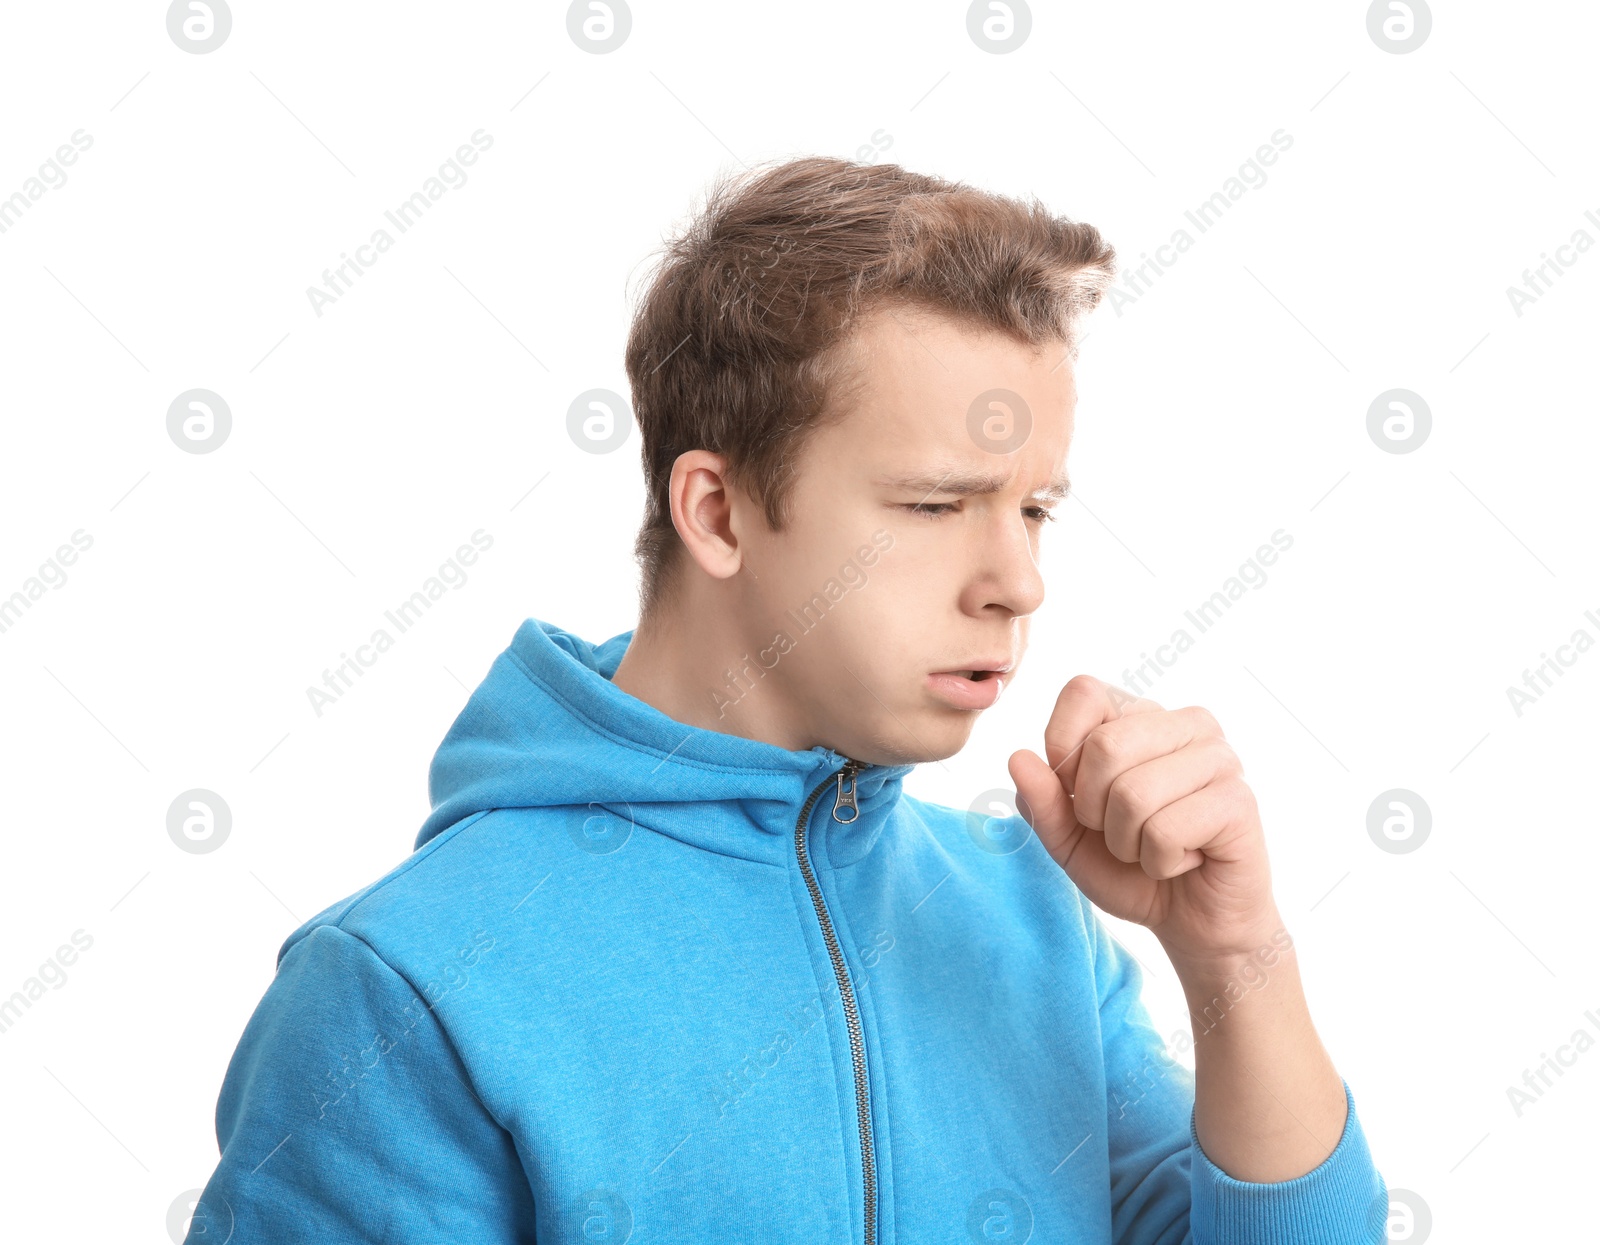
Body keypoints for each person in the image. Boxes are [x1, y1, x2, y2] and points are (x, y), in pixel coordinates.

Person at [185, 155, 1386, 1243]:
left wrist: (1233, 956)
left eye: (1033, 509)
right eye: (931, 505)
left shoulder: (1030, 918)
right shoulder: (404, 984)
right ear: (715, 512)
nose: (1017, 581)